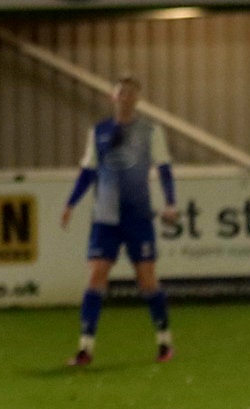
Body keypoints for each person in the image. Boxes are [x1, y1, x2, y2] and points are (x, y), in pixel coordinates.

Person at [59, 75, 178, 367]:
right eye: (121, 93)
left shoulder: (150, 131)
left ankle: (164, 340)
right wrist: (70, 203)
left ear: (137, 99)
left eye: (131, 94)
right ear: (113, 97)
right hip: (105, 217)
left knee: (147, 281)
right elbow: (89, 171)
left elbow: (163, 168)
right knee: (95, 277)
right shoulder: (99, 131)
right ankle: (85, 348)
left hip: (138, 217)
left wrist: (170, 202)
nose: (125, 98)